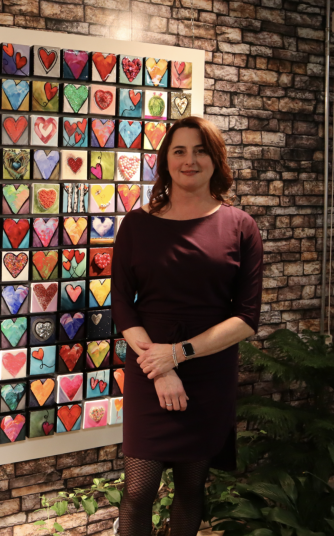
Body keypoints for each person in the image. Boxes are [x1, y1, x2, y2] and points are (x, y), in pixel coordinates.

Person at [111, 116, 264, 535]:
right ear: (166, 161)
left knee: (191, 486)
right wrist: (160, 366)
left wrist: (178, 354)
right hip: (147, 368)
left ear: (215, 160)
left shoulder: (241, 227)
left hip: (208, 370)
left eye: (200, 151)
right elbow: (123, 303)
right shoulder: (138, 224)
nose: (189, 160)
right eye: (179, 150)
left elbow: (247, 317)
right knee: (138, 492)